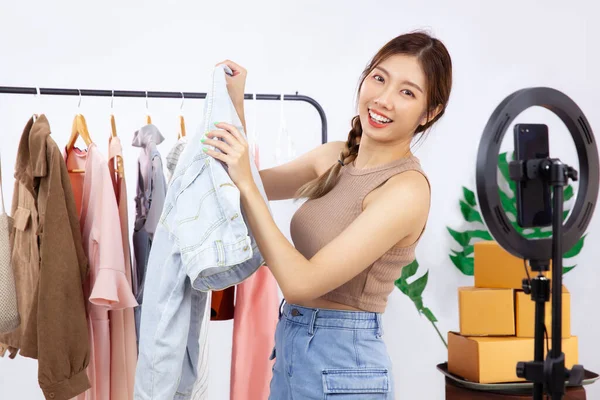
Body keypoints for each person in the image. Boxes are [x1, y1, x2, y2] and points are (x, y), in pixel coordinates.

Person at [202, 30, 452, 399]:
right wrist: (235, 102)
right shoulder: (333, 157)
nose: (383, 99)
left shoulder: (406, 190)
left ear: (429, 113)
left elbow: (302, 283)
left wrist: (248, 185)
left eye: (407, 92)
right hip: (294, 345)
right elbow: (245, 184)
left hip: (342, 363)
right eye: (379, 78)